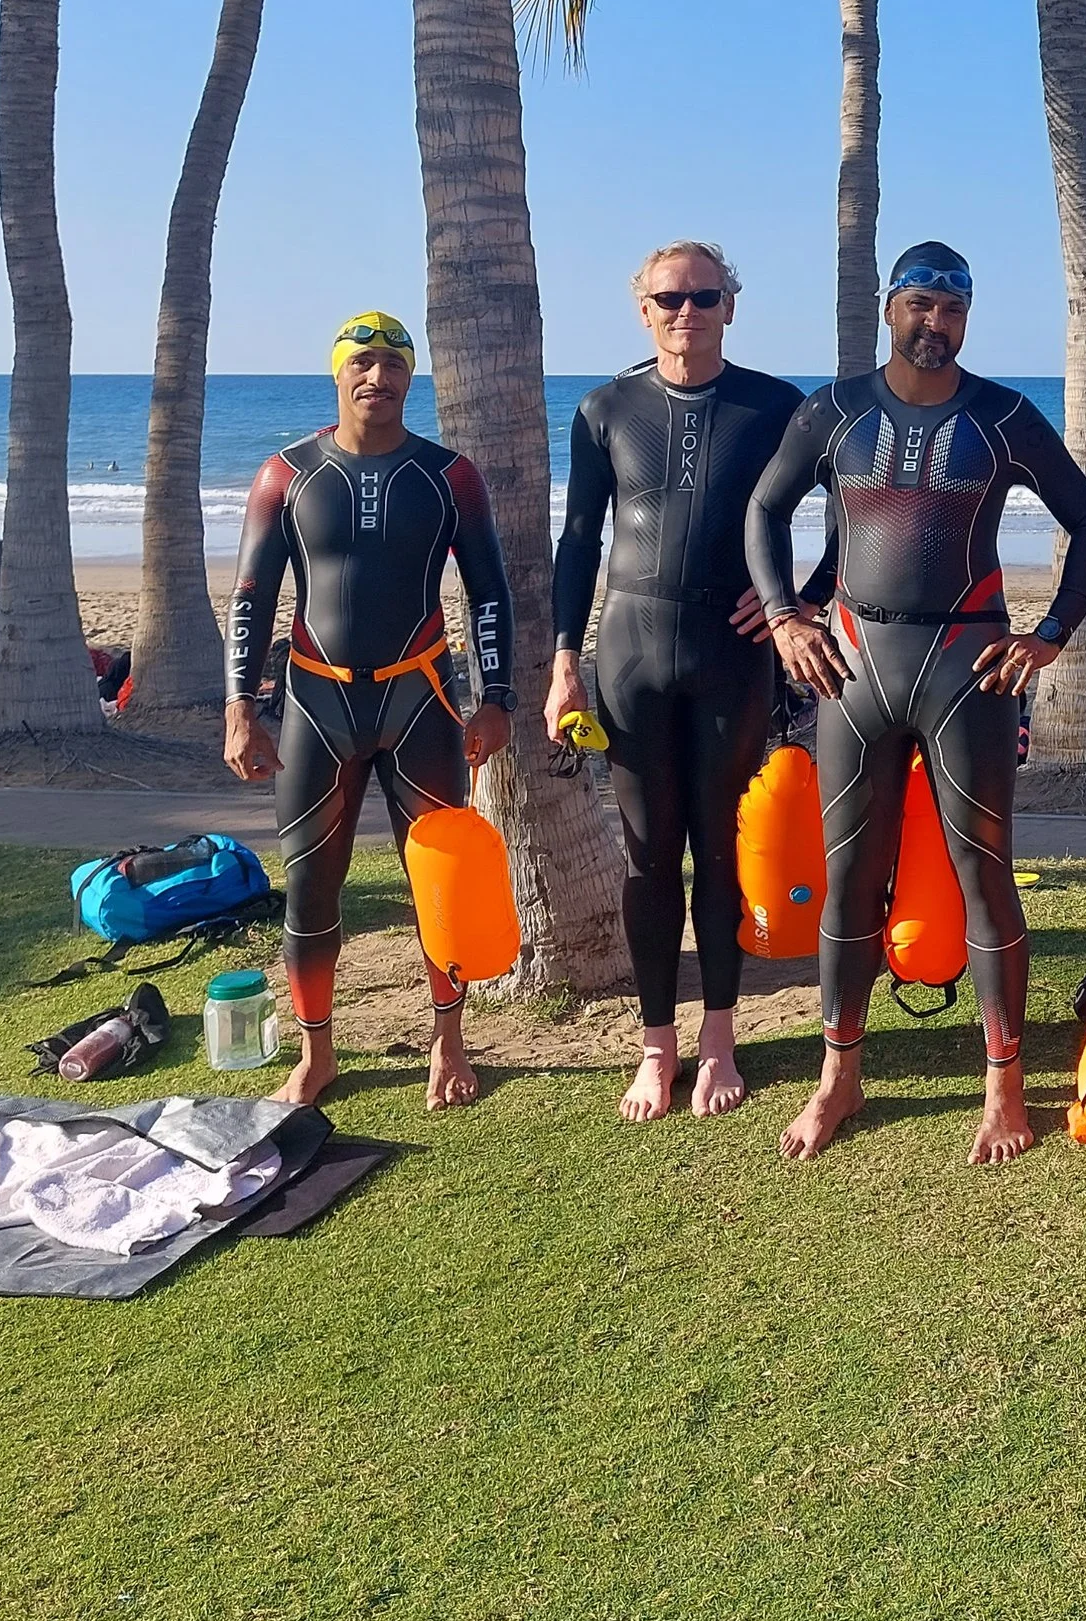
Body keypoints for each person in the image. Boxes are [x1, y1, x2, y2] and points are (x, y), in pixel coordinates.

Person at [746, 240, 1086, 1165]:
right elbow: (764, 510)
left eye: (951, 311)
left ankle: (1004, 1085)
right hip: (856, 663)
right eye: (919, 306)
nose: (935, 325)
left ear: (966, 318)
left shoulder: (1002, 416)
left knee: (984, 874)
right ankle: (839, 1076)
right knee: (850, 874)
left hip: (969, 665)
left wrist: (1051, 633)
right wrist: (789, 617)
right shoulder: (833, 410)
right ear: (890, 308)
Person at [224, 310, 514, 1112]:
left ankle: (447, 1041)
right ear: (337, 371)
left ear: (409, 378)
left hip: (421, 698)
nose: (376, 377)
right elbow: (252, 598)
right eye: (362, 362)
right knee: (312, 885)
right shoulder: (286, 474)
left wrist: (497, 699)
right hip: (315, 700)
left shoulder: (449, 476)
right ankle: (318, 1054)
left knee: (440, 886)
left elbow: (489, 591)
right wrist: (240, 707)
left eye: (392, 363)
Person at [549, 243, 802, 1124]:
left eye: (703, 296)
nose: (685, 312)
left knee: (723, 847)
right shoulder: (605, 408)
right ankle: (657, 1047)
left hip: (732, 655)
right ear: (642, 309)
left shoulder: (774, 406)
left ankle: (721, 1040)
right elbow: (579, 541)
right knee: (650, 853)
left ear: (730, 305)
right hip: (630, 650)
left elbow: (849, 509)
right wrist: (561, 662)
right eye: (669, 298)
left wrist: (792, 602)